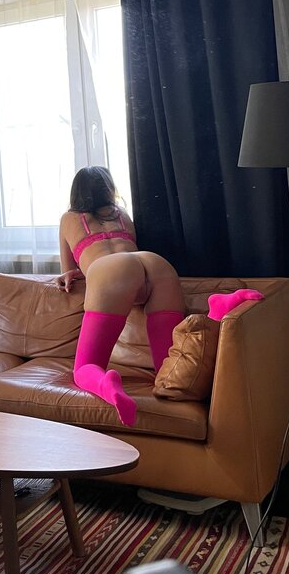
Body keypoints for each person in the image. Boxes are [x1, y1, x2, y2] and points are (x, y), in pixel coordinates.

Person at [56, 166, 261, 427]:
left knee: (84, 368)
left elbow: (68, 268)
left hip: (110, 271)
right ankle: (216, 309)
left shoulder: (69, 219)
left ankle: (107, 385)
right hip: (154, 264)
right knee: (166, 367)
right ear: (108, 189)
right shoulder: (122, 216)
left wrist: (73, 272)